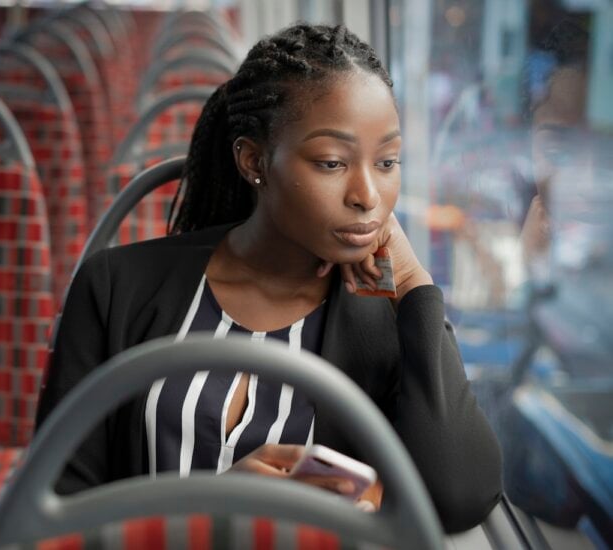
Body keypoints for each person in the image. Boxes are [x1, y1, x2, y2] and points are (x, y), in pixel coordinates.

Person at [37, 23, 502, 533]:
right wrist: (207, 515)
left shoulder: (386, 324)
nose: (367, 195)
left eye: (387, 161)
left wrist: (413, 286)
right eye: (332, 162)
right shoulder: (115, 288)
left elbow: (460, 497)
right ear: (254, 160)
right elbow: (54, 512)